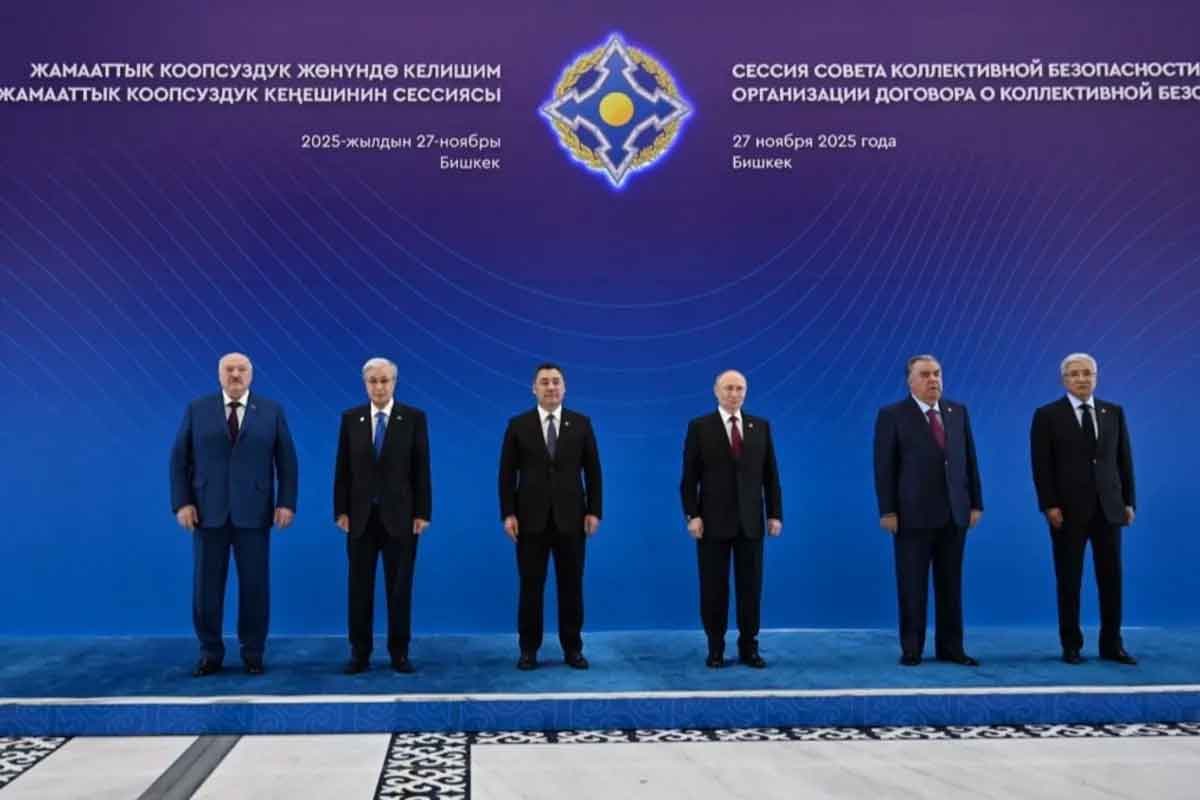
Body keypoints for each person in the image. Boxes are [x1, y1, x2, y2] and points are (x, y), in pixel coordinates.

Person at [169, 352, 298, 676]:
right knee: (206, 589)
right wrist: (182, 503)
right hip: (207, 512)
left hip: (254, 513)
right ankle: (210, 652)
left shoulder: (271, 410)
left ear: (251, 375)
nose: (235, 374)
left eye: (241, 369)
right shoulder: (197, 409)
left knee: (255, 587)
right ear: (219, 375)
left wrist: (286, 503)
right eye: (229, 369)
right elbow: (179, 460)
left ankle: (253, 652)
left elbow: (287, 461)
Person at [873, 355, 982, 667]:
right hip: (912, 516)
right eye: (925, 375)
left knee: (951, 585)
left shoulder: (957, 411)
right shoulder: (892, 415)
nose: (933, 379)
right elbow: (884, 466)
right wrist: (888, 511)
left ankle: (952, 648)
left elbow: (969, 460)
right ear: (910, 381)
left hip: (954, 513)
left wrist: (976, 502)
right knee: (912, 585)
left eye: (937, 373)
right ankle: (912, 648)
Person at [1030, 353, 1137, 665]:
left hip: (1109, 509)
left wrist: (1128, 501)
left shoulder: (1113, 412)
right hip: (1067, 512)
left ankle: (1112, 644)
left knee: (1111, 579)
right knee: (1069, 580)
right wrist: (1049, 505)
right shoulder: (1047, 415)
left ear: (1096, 377)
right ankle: (1071, 645)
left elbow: (1124, 460)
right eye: (1075, 374)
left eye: (1087, 373)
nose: (1082, 379)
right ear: (1064, 379)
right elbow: (1041, 466)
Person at [498, 363, 602, 671]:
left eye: (556, 381)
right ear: (534, 388)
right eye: (544, 382)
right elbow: (506, 474)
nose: (551, 387)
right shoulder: (518, 425)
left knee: (571, 586)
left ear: (564, 388)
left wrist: (594, 510)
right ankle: (528, 650)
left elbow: (593, 471)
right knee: (531, 587)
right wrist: (508, 513)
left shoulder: (581, 424)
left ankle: (573, 648)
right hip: (530, 520)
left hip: (572, 519)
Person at [334, 357, 432, 674]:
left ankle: (399, 652)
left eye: (384, 380)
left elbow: (421, 468)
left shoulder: (413, 418)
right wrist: (341, 510)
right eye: (373, 381)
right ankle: (359, 652)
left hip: (401, 518)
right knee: (359, 589)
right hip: (360, 518)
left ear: (395, 382)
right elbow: (343, 469)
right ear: (365, 384)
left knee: (399, 588)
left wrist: (422, 512)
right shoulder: (351, 418)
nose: (379, 386)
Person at [680, 370, 783, 669]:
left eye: (739, 388)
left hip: (751, 523)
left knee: (751, 588)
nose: (734, 394)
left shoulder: (760, 426)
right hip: (712, 523)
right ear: (716, 391)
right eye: (728, 388)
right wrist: (692, 515)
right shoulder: (700, 427)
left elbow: (771, 476)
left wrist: (775, 514)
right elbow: (689, 478)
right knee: (714, 588)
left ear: (746, 392)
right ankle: (715, 647)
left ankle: (749, 647)